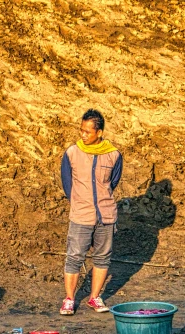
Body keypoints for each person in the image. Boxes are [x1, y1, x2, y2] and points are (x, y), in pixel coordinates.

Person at [59, 108, 123, 315]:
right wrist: (79, 203)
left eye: (88, 131)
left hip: (106, 215)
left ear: (99, 132)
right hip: (81, 215)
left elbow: (112, 182)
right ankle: (69, 299)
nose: (83, 135)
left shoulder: (113, 155)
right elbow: (67, 183)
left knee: (103, 257)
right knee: (74, 257)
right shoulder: (71, 153)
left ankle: (94, 297)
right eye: (82, 130)